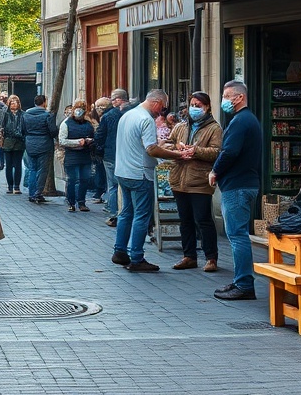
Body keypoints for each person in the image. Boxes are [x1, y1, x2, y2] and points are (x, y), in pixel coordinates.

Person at [111, 88, 181, 272]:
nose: (162, 112)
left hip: (123, 171)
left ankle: (120, 251)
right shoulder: (146, 119)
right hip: (140, 173)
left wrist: (162, 147)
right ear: (156, 102)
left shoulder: (127, 115)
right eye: (163, 108)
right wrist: (176, 154)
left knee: (126, 212)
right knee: (142, 215)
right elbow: (151, 149)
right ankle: (136, 257)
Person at [209, 80, 262, 300]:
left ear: (239, 97)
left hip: (237, 186)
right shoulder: (246, 120)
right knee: (237, 234)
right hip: (244, 183)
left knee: (237, 235)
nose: (224, 101)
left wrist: (215, 171)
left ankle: (244, 285)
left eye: (227, 96)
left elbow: (229, 152)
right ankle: (241, 280)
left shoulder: (241, 121)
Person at [167, 91, 223, 273]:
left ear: (207, 107)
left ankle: (211, 257)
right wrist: (177, 148)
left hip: (199, 180)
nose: (194, 108)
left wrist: (195, 150)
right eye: (192, 104)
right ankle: (189, 256)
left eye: (198, 105)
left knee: (203, 219)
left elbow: (216, 152)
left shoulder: (214, 128)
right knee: (185, 220)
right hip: (179, 178)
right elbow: (166, 144)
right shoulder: (181, 126)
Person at [93, 88, 127, 226]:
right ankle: (125, 213)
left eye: (113, 99)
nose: (111, 102)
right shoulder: (132, 113)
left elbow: (100, 136)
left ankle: (114, 214)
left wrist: (98, 149)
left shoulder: (108, 116)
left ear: (119, 100)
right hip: (126, 155)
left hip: (111, 155)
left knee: (113, 186)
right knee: (124, 185)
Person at [58, 99, 95, 213]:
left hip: (85, 156)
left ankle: (81, 202)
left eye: (82, 109)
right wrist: (77, 142)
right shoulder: (66, 123)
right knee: (72, 180)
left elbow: (94, 137)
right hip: (71, 156)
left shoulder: (88, 124)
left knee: (84, 179)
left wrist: (90, 141)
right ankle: (71, 202)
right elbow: (62, 141)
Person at [23, 94, 57, 203]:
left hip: (30, 144)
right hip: (44, 145)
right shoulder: (48, 115)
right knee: (42, 170)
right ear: (44, 102)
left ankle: (31, 193)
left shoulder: (26, 114)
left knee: (32, 168)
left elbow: (22, 130)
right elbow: (53, 131)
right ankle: (38, 193)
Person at [0, 94, 26, 194]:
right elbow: (2, 127)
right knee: (9, 165)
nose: (14, 104)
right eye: (12, 102)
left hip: (19, 142)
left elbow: (24, 128)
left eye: (16, 102)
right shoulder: (5, 114)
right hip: (8, 141)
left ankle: (17, 186)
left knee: (18, 164)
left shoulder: (23, 114)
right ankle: (10, 186)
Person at [89, 97, 110, 204]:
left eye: (101, 107)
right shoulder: (92, 118)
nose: (98, 109)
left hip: (102, 149)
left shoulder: (104, 118)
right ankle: (100, 192)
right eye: (97, 107)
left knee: (101, 171)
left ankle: (100, 192)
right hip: (100, 149)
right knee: (100, 170)